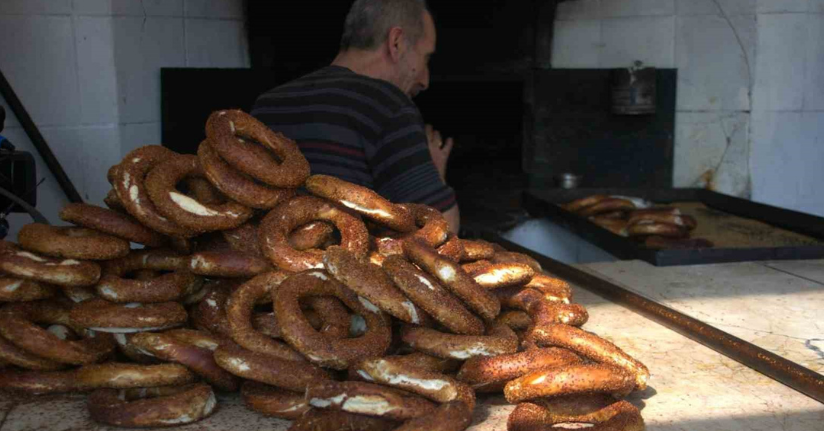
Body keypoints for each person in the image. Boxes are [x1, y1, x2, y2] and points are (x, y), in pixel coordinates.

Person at [251, 0, 460, 233]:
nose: (425, 79)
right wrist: (434, 169)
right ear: (396, 42)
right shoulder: (388, 104)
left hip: (270, 263)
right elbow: (443, 231)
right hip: (349, 266)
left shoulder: (267, 104)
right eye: (425, 58)